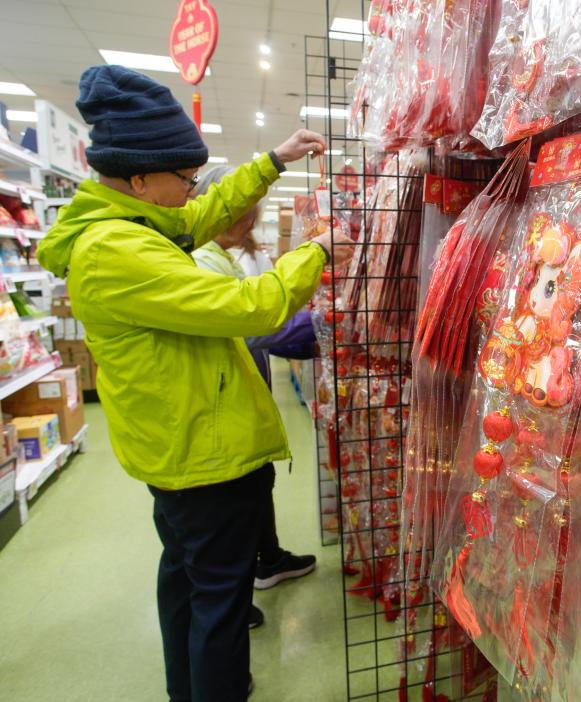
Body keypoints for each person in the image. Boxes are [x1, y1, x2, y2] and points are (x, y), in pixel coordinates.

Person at [36, 65, 345, 702]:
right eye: (184, 177)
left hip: (181, 446)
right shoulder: (116, 251)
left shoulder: (131, 223)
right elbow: (250, 307)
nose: (191, 190)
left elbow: (201, 214)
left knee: (186, 580)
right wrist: (315, 253)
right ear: (140, 179)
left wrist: (272, 163)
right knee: (220, 602)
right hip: (203, 453)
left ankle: (189, 688)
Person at [191, 167, 318, 630]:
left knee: (257, 484)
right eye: (237, 212)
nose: (247, 220)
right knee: (230, 509)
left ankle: (268, 559)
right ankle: (232, 599)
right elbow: (255, 323)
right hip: (220, 407)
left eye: (252, 212)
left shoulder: (228, 254)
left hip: (243, 397)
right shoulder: (202, 262)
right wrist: (319, 327)